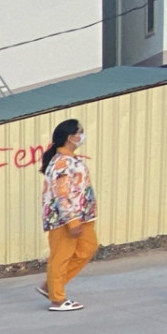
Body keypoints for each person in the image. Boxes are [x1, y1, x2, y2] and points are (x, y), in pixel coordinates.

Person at [38, 118, 97, 312]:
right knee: (61, 256)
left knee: (87, 249)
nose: (82, 135)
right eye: (79, 132)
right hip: (64, 218)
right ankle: (58, 299)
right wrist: (72, 220)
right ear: (70, 137)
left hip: (82, 216)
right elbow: (60, 193)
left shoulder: (71, 159)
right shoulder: (61, 162)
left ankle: (51, 285)